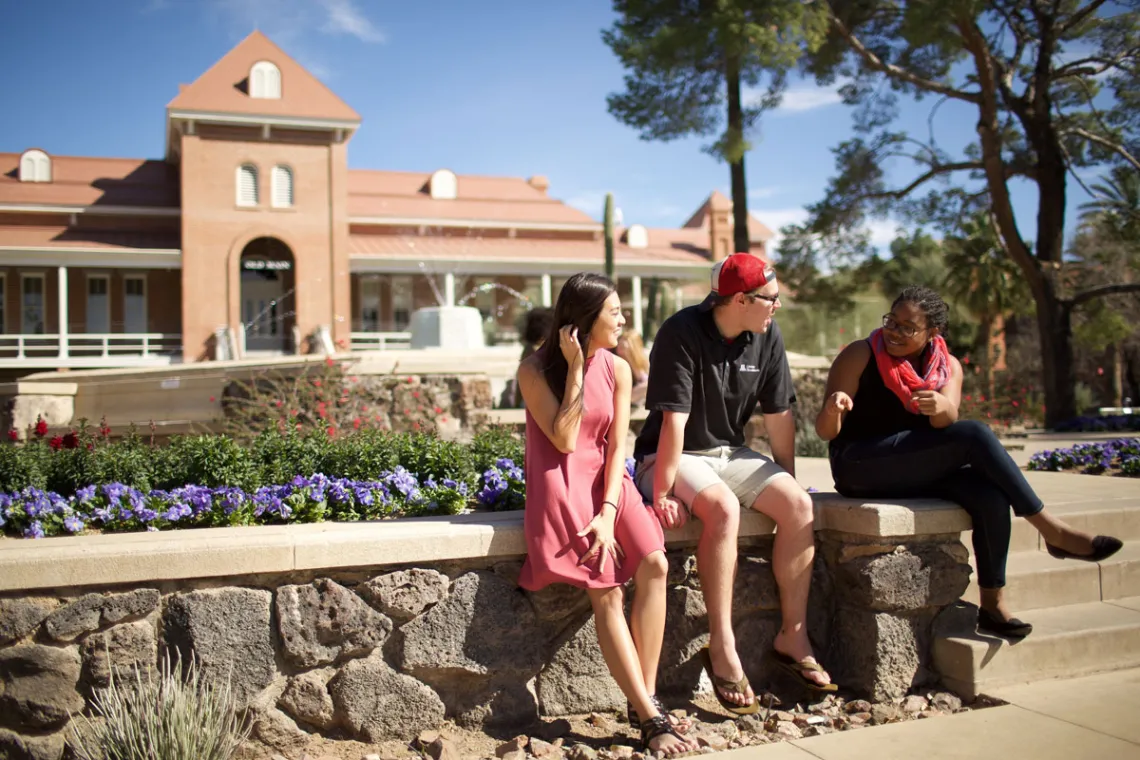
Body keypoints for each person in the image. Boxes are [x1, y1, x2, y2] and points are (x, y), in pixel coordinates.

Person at [817, 285, 1123, 638]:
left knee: (989, 494)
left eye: (907, 327)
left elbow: (944, 423)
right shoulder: (861, 353)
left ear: (933, 332)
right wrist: (832, 407)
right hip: (859, 464)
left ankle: (993, 604)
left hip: (911, 467)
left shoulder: (948, 367)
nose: (894, 332)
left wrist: (943, 406)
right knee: (974, 433)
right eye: (892, 321)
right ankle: (1051, 529)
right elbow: (826, 432)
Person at [633, 253, 836, 714]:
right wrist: (662, 490)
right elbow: (673, 423)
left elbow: (780, 415)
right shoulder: (680, 332)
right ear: (740, 299)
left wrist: (786, 479)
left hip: (731, 454)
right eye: (771, 299)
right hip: (673, 455)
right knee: (723, 508)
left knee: (799, 507)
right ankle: (722, 644)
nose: (777, 307)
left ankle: (793, 636)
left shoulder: (766, 336)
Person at [516, 273, 698, 755]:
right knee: (609, 592)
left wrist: (610, 508)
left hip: (608, 483)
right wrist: (575, 368)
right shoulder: (533, 371)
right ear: (583, 321)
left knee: (656, 563)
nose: (623, 320)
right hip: (563, 486)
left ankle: (646, 699)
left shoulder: (618, 369)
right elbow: (564, 440)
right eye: (613, 312)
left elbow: (618, 445)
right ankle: (650, 716)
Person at [616, 329, 650, 407]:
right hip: (628, 400)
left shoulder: (646, 359)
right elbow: (629, 396)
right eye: (619, 346)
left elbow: (644, 381)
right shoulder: (619, 363)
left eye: (623, 348)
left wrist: (632, 359)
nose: (619, 351)